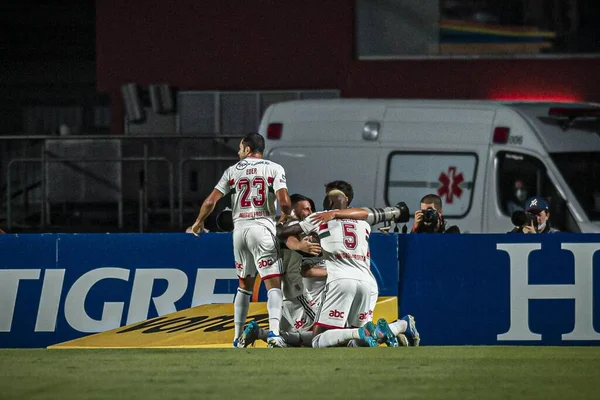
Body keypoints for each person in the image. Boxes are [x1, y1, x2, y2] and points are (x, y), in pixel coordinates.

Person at [190, 132, 292, 348]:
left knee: (244, 286)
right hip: (262, 227)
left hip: (240, 231)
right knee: (273, 283)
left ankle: (237, 338)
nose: (238, 152)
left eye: (239, 148)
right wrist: (285, 214)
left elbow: (210, 201)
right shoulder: (274, 168)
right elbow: (284, 201)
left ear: (247, 149)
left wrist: (198, 221)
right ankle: (273, 332)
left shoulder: (232, 172)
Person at [279, 191, 418, 348]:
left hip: (339, 282)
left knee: (319, 339)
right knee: (355, 343)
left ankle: (268, 335)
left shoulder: (317, 221)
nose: (310, 212)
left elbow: (281, 234)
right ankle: (398, 327)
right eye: (305, 209)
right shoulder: (363, 220)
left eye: (310, 208)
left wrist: (300, 245)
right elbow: (384, 212)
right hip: (368, 282)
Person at [238, 193, 322, 348]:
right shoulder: (289, 228)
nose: (310, 212)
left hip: (279, 293)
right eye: (306, 209)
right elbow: (287, 238)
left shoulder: (273, 225)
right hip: (295, 292)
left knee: (284, 342)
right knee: (320, 333)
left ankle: (262, 335)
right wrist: (299, 246)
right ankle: (260, 333)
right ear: (294, 209)